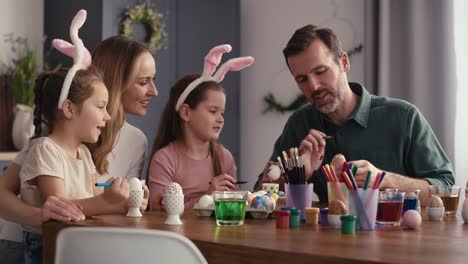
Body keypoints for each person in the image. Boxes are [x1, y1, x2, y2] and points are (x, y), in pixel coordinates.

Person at [0, 10, 156, 263]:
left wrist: (132, 201)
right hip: (30, 244)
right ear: (117, 80)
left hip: (83, 244)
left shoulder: (132, 141)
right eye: (143, 81)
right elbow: (18, 197)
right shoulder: (52, 140)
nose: (154, 91)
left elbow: (108, 205)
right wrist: (40, 216)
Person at [254, 25, 454, 207]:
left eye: (321, 71)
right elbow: (260, 198)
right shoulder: (300, 124)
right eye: (302, 79)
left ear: (344, 62)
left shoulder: (403, 117)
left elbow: (445, 188)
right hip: (326, 244)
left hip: (398, 243)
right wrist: (294, 177)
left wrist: (384, 180)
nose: (313, 86)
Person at [21, 67, 132, 263]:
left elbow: (95, 204)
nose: (107, 116)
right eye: (100, 107)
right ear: (69, 109)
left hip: (76, 242)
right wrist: (108, 201)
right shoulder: (45, 149)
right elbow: (61, 211)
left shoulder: (85, 154)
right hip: (48, 247)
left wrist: (127, 202)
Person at [148, 44, 254, 209]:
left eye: (222, 112)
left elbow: (234, 210)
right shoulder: (165, 160)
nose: (221, 119)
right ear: (186, 113)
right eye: (213, 111)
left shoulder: (224, 158)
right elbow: (159, 215)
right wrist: (208, 197)